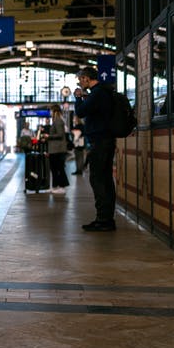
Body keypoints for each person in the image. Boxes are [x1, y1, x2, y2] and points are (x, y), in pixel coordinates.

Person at [73, 66, 116, 231]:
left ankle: (103, 220)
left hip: (100, 142)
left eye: (80, 79)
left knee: (98, 180)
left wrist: (78, 97)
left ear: (85, 78)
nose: (79, 83)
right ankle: (106, 218)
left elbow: (81, 112)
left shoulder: (97, 93)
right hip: (105, 141)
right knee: (105, 180)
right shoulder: (101, 92)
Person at [42, 104, 69, 193]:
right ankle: (55, 186)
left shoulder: (58, 121)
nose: (49, 112)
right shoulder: (57, 120)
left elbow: (60, 134)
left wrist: (49, 136)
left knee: (58, 168)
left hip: (58, 149)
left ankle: (62, 187)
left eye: (51, 110)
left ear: (55, 111)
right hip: (55, 149)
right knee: (54, 168)